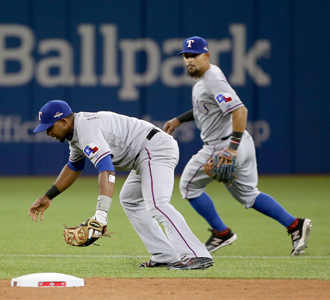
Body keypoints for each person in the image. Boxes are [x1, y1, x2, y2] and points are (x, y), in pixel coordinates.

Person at [163, 36, 312, 255]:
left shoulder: (212, 78)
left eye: (194, 55)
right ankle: (294, 225)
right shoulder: (204, 78)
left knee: (188, 186)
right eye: (186, 56)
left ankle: (221, 233)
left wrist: (231, 148)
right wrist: (179, 120)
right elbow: (205, 109)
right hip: (239, 142)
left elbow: (240, 110)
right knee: (249, 195)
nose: (189, 60)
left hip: (223, 146)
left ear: (206, 55)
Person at [29, 100, 213, 270]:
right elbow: (74, 166)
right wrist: (49, 195)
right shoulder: (76, 134)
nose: (47, 133)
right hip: (145, 153)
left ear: (62, 122)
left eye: (49, 127)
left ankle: (196, 255)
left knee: (158, 203)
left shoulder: (86, 129)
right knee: (130, 199)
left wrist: (101, 215)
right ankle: (164, 255)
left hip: (155, 148)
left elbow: (107, 170)